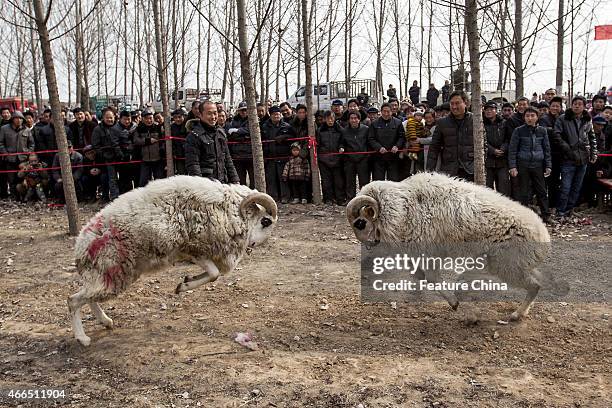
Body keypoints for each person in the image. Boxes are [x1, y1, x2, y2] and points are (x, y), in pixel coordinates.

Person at [551, 96, 598, 218]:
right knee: (565, 187)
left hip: (583, 157)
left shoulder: (587, 119)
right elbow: (557, 135)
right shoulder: (563, 119)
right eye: (575, 104)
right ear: (571, 105)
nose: (577, 106)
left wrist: (593, 153)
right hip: (568, 158)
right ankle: (560, 211)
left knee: (577, 187)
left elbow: (591, 137)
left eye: (580, 104)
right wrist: (567, 148)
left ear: (584, 106)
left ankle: (569, 209)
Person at [508, 107, 552, 222]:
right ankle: (525, 217)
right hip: (523, 164)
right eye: (527, 116)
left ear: (537, 117)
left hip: (538, 165)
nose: (530, 118)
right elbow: (512, 150)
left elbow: (547, 149)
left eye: (532, 115)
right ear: (524, 117)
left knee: (542, 191)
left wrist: (548, 165)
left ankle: (546, 215)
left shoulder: (542, 131)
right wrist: (513, 166)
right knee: (524, 192)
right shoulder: (518, 131)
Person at [184, 101, 238, 184]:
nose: (213, 117)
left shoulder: (221, 133)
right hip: (206, 185)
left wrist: (235, 180)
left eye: (215, 113)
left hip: (222, 182)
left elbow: (227, 159)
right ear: (200, 115)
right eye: (209, 114)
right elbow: (193, 165)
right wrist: (199, 185)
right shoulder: (194, 136)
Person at [426, 91, 474, 181]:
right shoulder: (442, 123)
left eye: (457, 103)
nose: (454, 107)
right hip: (450, 171)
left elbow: (484, 145)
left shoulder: (475, 120)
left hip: (471, 170)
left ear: (466, 103)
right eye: (452, 104)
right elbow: (434, 148)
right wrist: (429, 172)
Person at [261, 105, 294, 203]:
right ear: (270, 115)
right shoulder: (264, 126)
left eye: (278, 114)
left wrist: (284, 136)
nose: (276, 116)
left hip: (283, 156)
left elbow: (293, 136)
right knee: (271, 178)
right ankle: (273, 197)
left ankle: (285, 196)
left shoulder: (286, 126)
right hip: (270, 156)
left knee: (283, 178)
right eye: (274, 115)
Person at [0, 111, 34, 200]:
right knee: (11, 180)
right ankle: (13, 196)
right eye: (16, 118)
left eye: (21, 119)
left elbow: (32, 144)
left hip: (23, 159)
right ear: (12, 119)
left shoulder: (26, 129)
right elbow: (1, 143)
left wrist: (28, 153)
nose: (19, 120)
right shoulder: (4, 129)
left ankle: (23, 197)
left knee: (22, 179)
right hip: (9, 159)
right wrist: (5, 154)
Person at [368, 103, 404, 181]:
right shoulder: (374, 123)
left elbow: (401, 137)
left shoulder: (398, 122)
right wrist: (379, 147)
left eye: (388, 111)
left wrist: (397, 146)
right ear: (380, 112)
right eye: (384, 111)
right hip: (379, 157)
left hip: (393, 156)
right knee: (378, 181)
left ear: (392, 112)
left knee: (393, 181)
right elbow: (371, 138)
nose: (386, 114)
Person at [539, 96, 564, 211]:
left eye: (557, 106)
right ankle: (546, 204)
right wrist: (556, 131)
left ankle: (554, 203)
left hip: (561, 153)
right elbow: (546, 132)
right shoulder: (544, 118)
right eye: (553, 106)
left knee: (556, 180)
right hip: (548, 152)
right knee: (547, 180)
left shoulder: (564, 118)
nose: (555, 108)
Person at [92, 108, 122, 201]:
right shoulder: (98, 129)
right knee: (111, 179)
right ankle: (114, 198)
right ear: (103, 118)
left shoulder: (118, 127)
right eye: (107, 118)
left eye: (111, 117)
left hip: (120, 156)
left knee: (122, 178)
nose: (110, 120)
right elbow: (95, 145)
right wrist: (104, 155)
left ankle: (122, 197)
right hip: (107, 158)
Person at [339, 111, 370, 201]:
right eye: (352, 118)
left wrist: (367, 155)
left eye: (355, 118)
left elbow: (369, 143)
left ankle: (364, 199)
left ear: (359, 119)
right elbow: (341, 143)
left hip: (363, 159)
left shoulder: (366, 129)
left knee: (364, 182)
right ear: (349, 120)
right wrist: (341, 148)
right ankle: (350, 199)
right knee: (350, 182)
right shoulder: (344, 131)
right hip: (349, 160)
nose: (354, 120)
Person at [316, 111, 345, 205]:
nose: (330, 121)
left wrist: (341, 147)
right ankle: (328, 198)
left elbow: (343, 141)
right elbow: (318, 144)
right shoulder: (320, 130)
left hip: (337, 158)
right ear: (324, 119)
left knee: (339, 181)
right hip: (324, 159)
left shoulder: (340, 129)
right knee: (326, 181)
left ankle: (340, 198)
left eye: (332, 118)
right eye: (328, 119)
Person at [483, 101, 510, 196]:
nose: (488, 111)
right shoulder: (481, 124)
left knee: (503, 188)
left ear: (496, 110)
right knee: (487, 188)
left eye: (491, 109)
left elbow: (508, 138)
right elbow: (481, 140)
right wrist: (492, 150)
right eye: (486, 110)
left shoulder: (504, 123)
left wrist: (503, 149)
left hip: (502, 160)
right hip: (488, 161)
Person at [134, 110, 164, 187]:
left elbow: (163, 141)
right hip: (145, 160)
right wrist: (148, 141)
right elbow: (136, 140)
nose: (149, 120)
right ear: (142, 119)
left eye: (150, 118)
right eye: (146, 118)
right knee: (143, 182)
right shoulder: (139, 129)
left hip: (158, 159)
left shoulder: (158, 128)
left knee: (159, 182)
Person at [228, 101, 254, 188]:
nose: (244, 112)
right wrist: (242, 135)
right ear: (238, 111)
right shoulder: (233, 121)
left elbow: (251, 131)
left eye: (245, 110)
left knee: (253, 179)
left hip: (250, 155)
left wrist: (238, 131)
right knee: (241, 179)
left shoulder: (252, 119)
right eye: (241, 110)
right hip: (238, 155)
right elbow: (231, 133)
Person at [113, 110, 137, 193]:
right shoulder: (115, 129)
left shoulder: (135, 126)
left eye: (129, 119)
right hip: (123, 157)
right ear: (120, 119)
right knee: (124, 179)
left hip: (135, 156)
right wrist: (122, 156)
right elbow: (115, 145)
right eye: (125, 119)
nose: (127, 121)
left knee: (136, 177)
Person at [170, 109, 188, 175]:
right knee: (181, 174)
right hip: (178, 155)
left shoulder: (188, 125)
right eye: (175, 117)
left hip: (189, 154)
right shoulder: (172, 127)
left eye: (179, 117)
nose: (177, 119)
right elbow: (171, 142)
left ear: (183, 117)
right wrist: (174, 152)